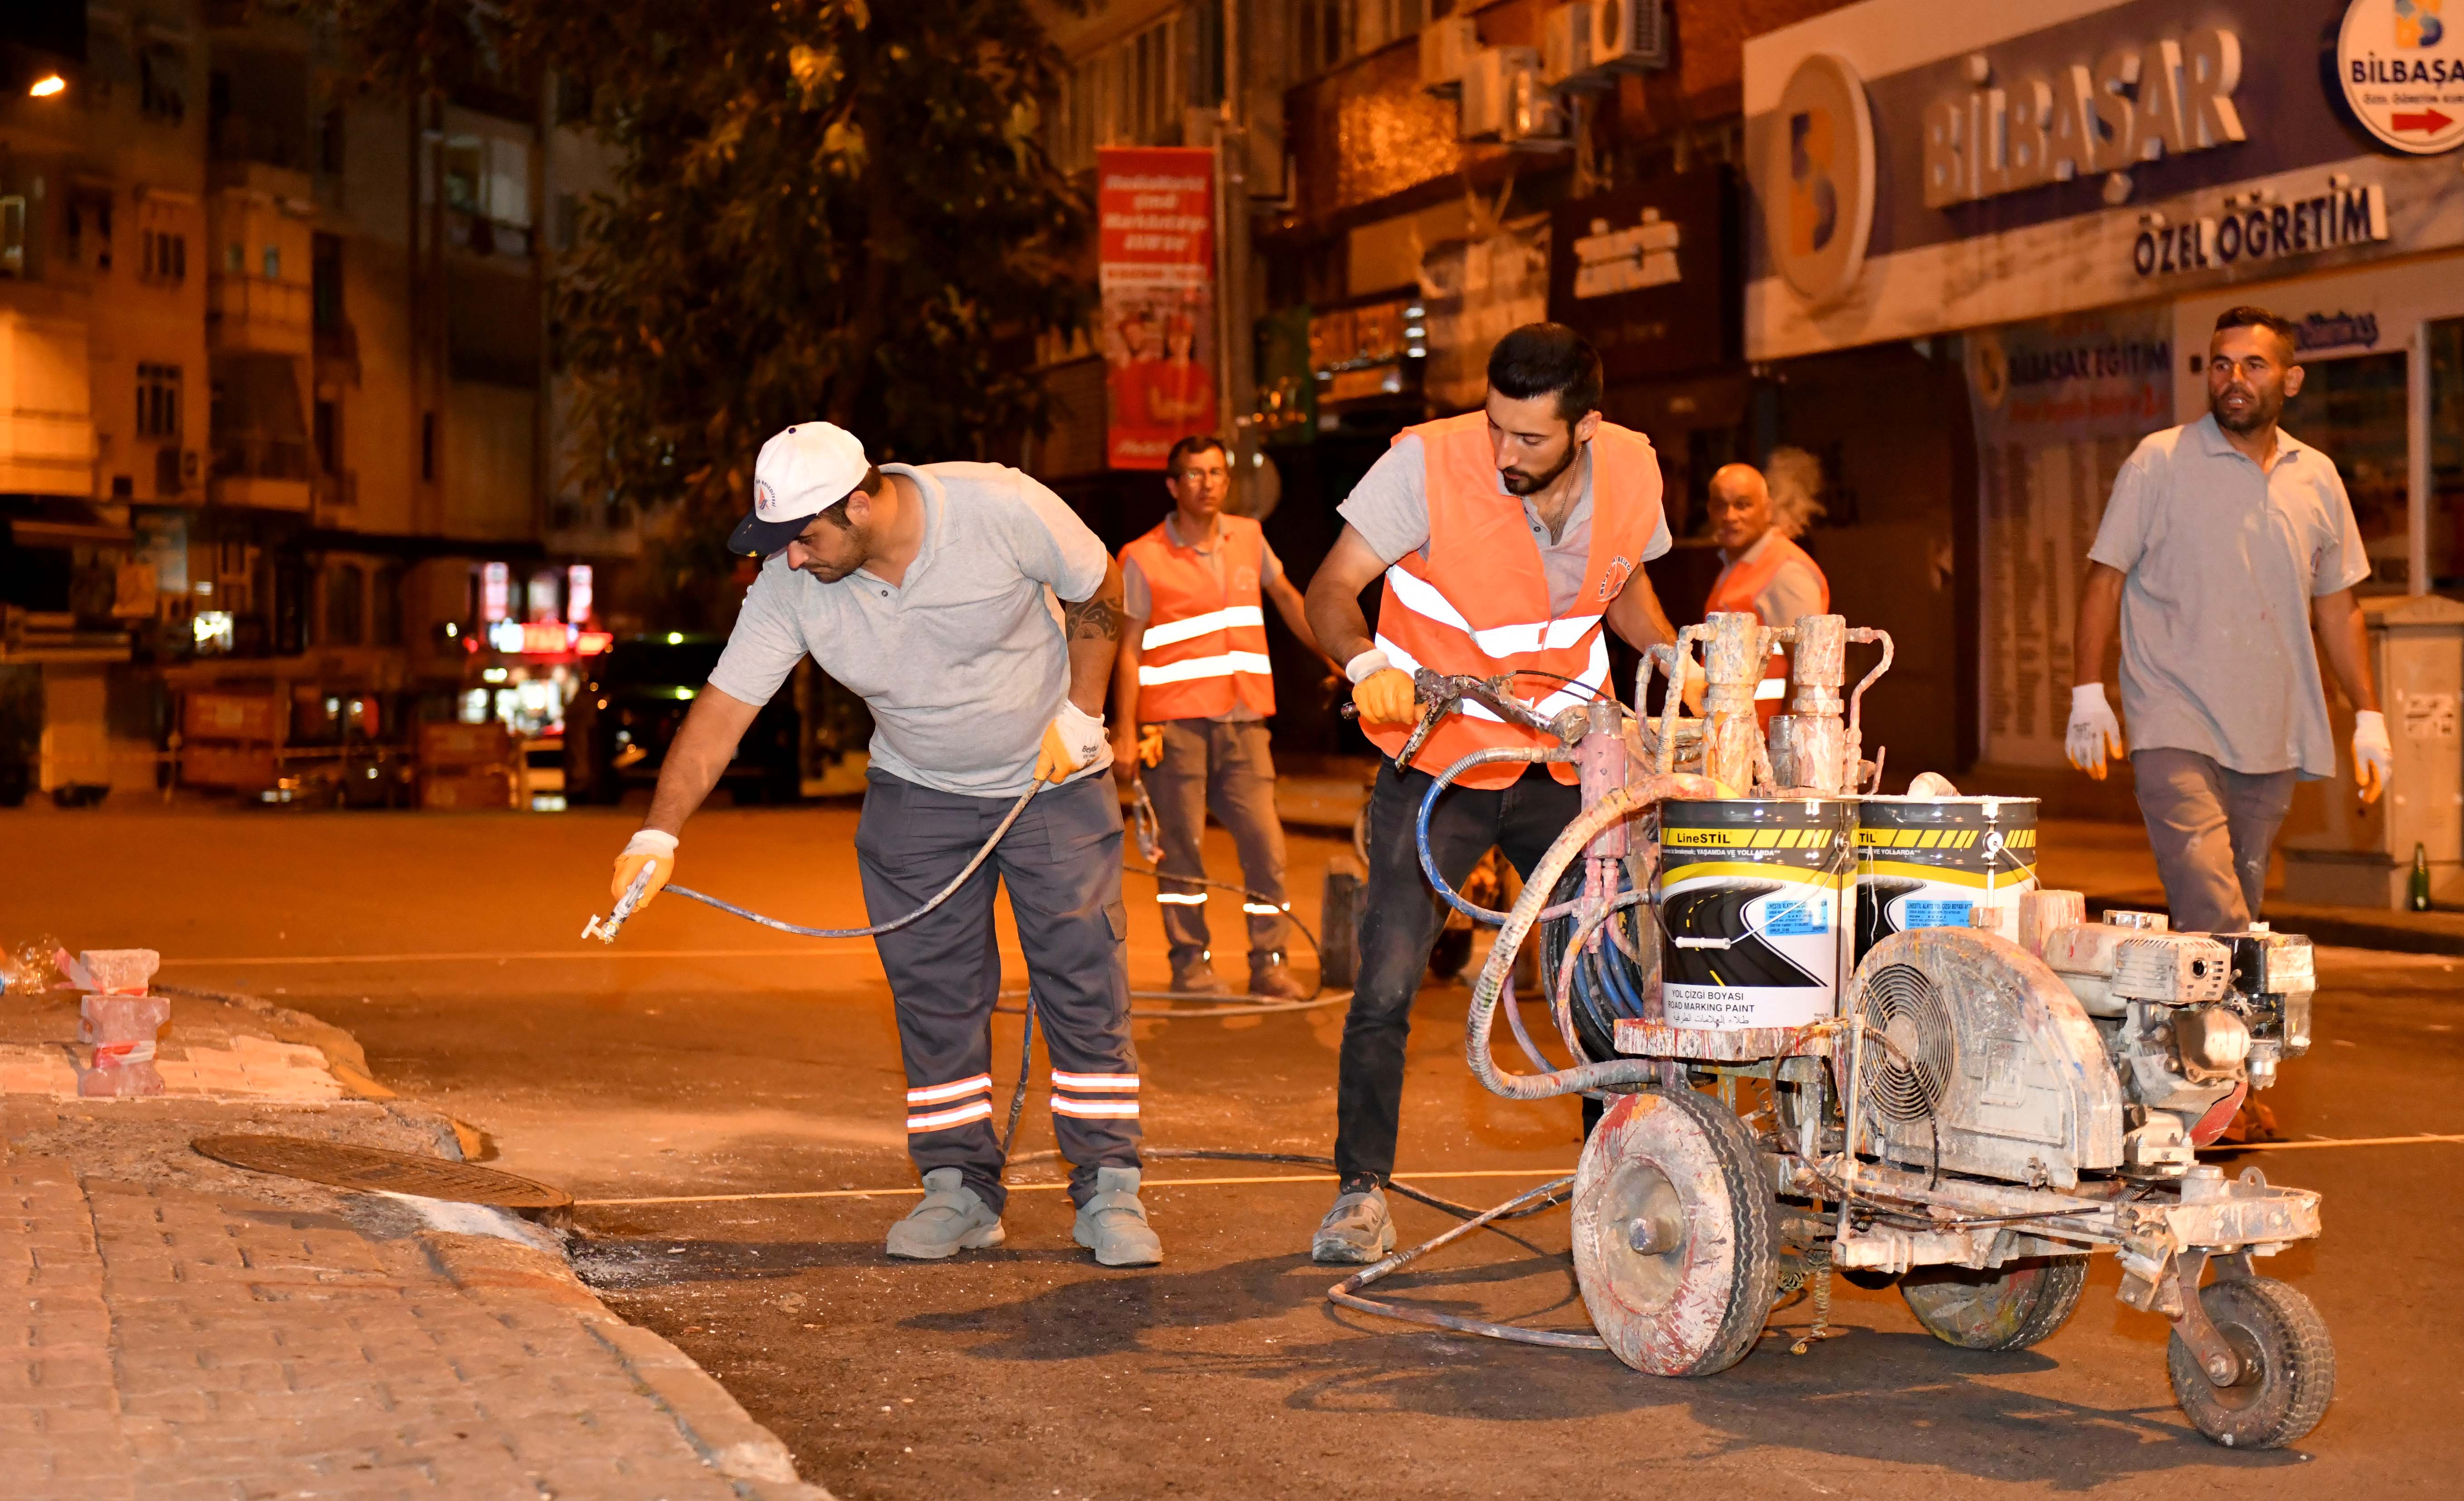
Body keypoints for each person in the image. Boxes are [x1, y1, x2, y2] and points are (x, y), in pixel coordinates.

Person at [607, 422, 1163, 1268]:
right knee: (934, 997)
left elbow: (1098, 587)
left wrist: (1084, 714)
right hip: (917, 794)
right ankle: (958, 1187)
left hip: (1051, 777)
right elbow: (723, 708)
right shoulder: (791, 586)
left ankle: (1108, 1184)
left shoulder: (998, 505)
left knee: (1082, 977)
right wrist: (658, 830)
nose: (791, 558)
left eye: (803, 536)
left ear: (860, 502)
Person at [1300, 322, 1695, 1265]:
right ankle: (1360, 1195)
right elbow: (1330, 589)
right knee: (1388, 982)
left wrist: (1675, 657)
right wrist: (1362, 664)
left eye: (1530, 439)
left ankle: (1619, 1183)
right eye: (1495, 428)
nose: (1504, 453)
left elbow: (1623, 591)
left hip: (1564, 763)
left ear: (1586, 428)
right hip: (1436, 758)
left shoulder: (1634, 471)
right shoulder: (1426, 467)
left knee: (1601, 980)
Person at [2067, 305, 2388, 936]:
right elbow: (2104, 579)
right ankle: (2231, 1028)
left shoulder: (2317, 477)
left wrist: (2370, 716)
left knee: (2233, 904)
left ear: (2290, 382)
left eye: (2253, 365)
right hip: (2173, 719)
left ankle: (2208, 1028)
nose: (2233, 378)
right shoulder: (2158, 462)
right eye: (2221, 365)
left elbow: (2338, 604)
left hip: (2272, 727)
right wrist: (2087, 694)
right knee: (2213, 901)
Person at [1115, 436, 1336, 1000]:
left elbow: (1288, 599)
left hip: (1245, 723)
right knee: (1182, 851)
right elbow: (1129, 649)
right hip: (1174, 729)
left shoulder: (1249, 539)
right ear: (1173, 486)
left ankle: (1270, 962)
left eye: (1216, 473)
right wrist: (1124, 730)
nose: (1207, 484)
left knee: (1266, 846)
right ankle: (1190, 962)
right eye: (1193, 474)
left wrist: (1343, 659)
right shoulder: (1143, 556)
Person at [1702, 461, 1830, 723]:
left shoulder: (1785, 570)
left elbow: (1809, 669)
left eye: (1743, 504)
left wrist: (1787, 745)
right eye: (1720, 505)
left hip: (1766, 744)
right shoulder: (1738, 565)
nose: (1730, 516)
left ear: (1767, 510)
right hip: (1738, 738)